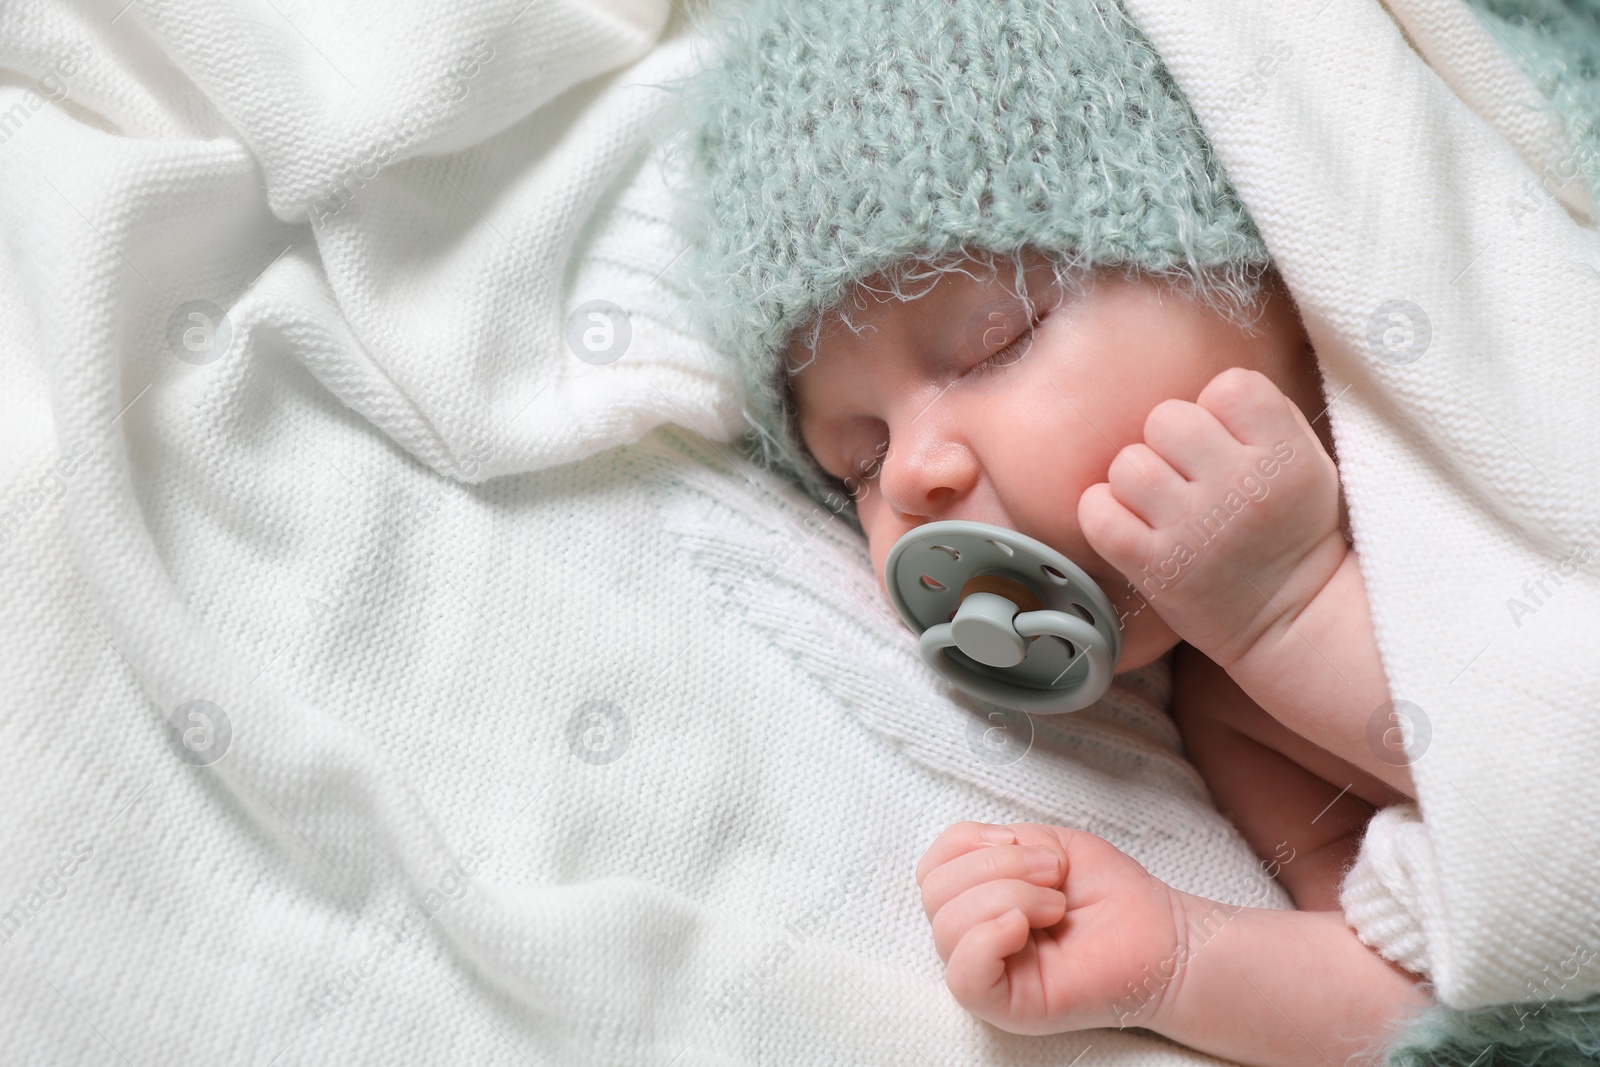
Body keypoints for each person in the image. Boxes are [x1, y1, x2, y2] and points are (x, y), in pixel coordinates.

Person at [666, 0, 1433, 1061]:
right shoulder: (1234, 707)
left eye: (993, 340)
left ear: (1259, 264)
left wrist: (1293, 608)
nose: (921, 472)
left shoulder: (1478, 427)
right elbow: (1477, 974)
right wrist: (1174, 958)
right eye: (861, 461)